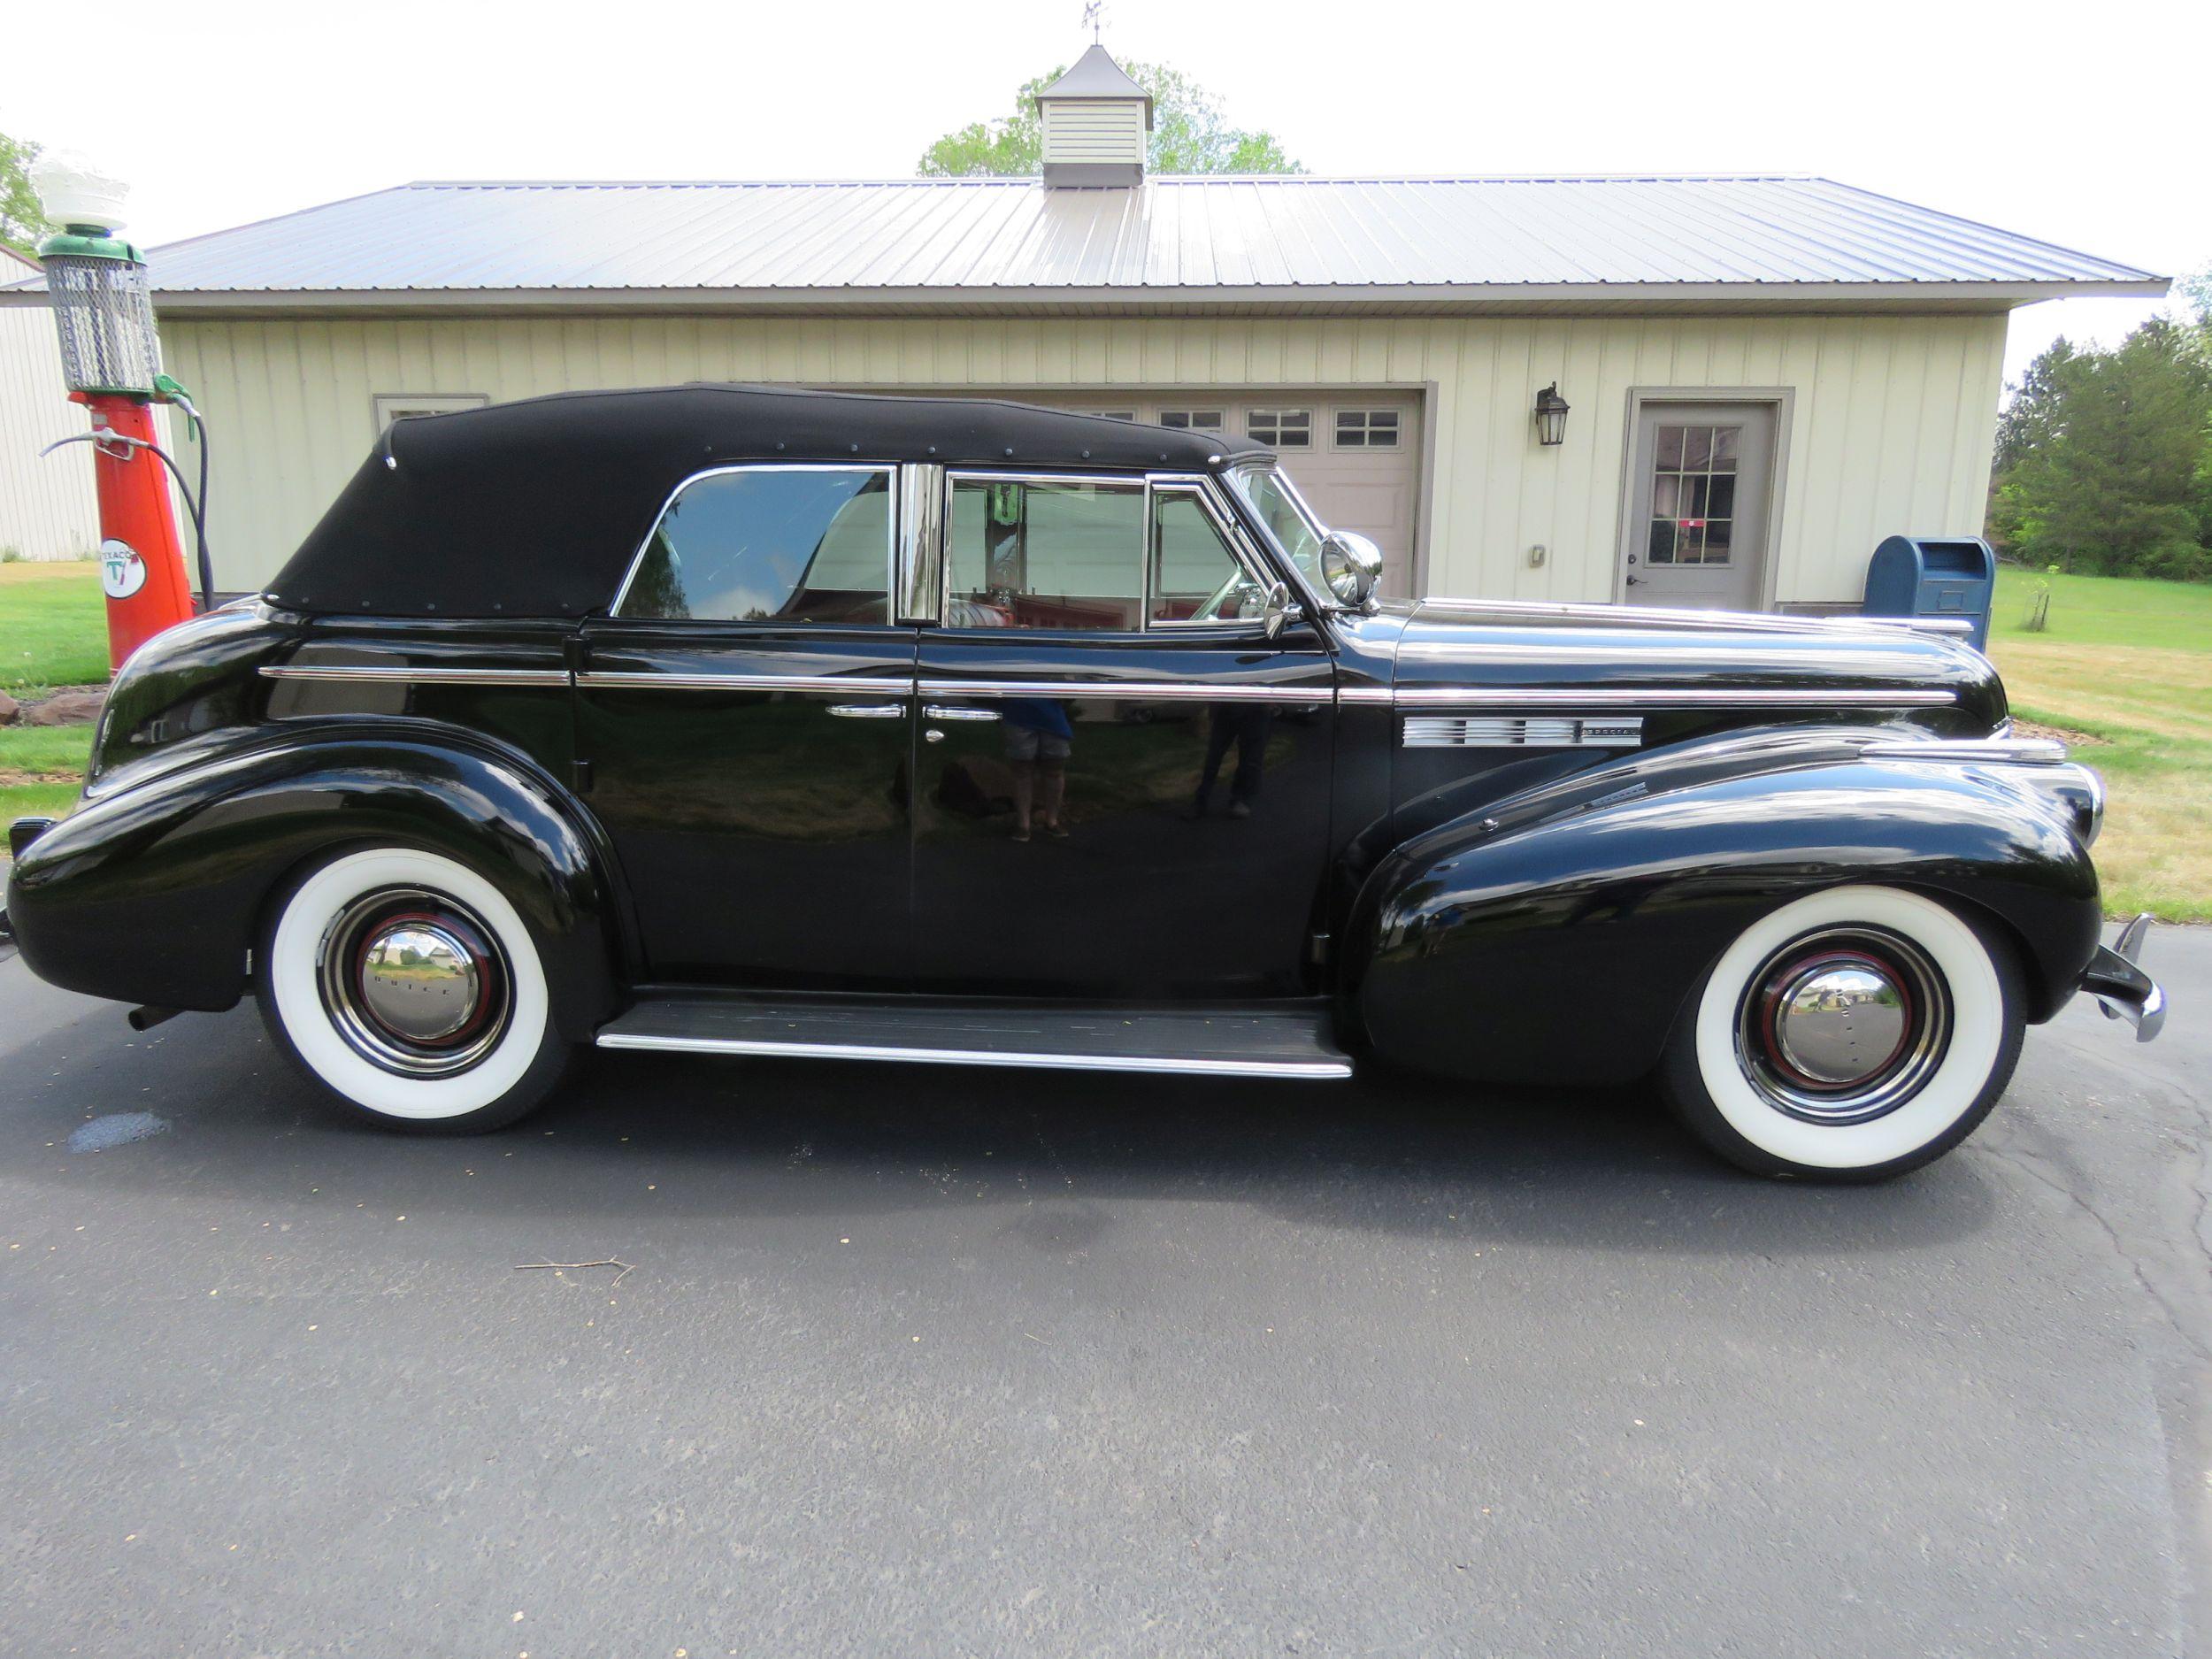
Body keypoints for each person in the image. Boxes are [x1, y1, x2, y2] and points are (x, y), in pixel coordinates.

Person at [1001, 698, 1071, 841]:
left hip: (1052, 716)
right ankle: (1023, 825)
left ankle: (1052, 821)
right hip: (1017, 714)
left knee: (1054, 769)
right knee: (1022, 770)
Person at [1190, 703, 1272, 819]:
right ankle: (1200, 801)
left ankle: (1241, 800)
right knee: (1214, 756)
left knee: (1251, 761)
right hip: (1228, 706)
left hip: (1257, 708)